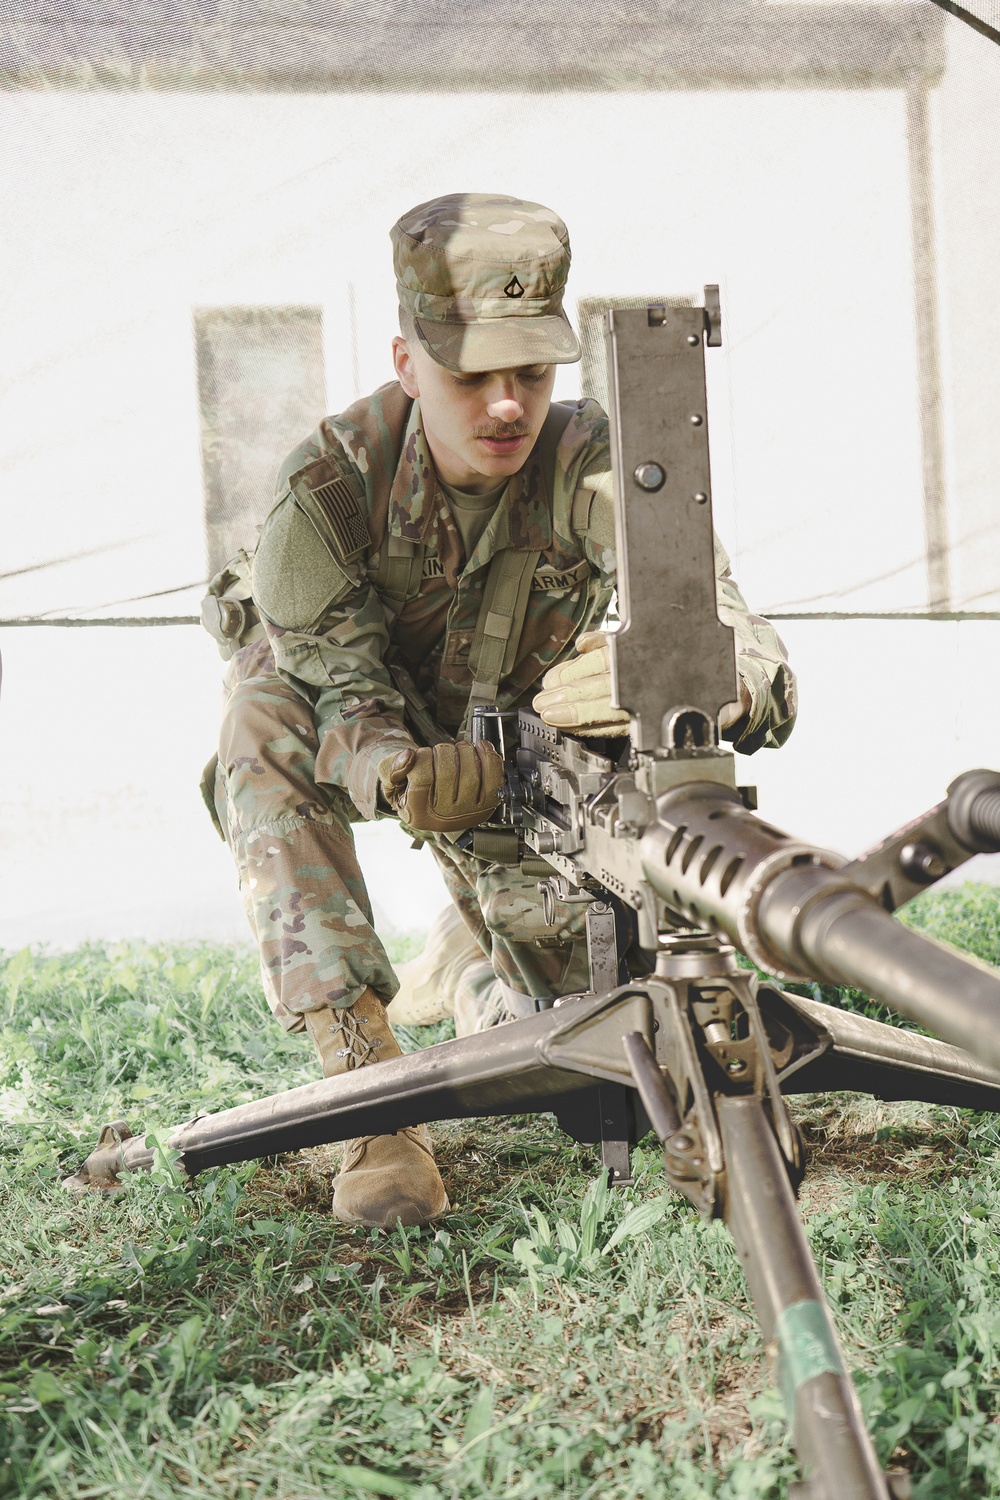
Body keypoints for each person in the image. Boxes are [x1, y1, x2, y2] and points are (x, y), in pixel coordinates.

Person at [201, 192, 797, 1230]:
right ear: (405, 362)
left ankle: (470, 962)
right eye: (471, 376)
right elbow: (340, 698)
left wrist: (697, 673)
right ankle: (367, 1090)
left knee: (587, 1058)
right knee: (258, 720)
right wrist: (397, 770)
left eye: (531, 371)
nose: (508, 404)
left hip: (526, 770)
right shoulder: (327, 496)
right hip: (389, 740)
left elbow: (741, 638)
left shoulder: (598, 466)